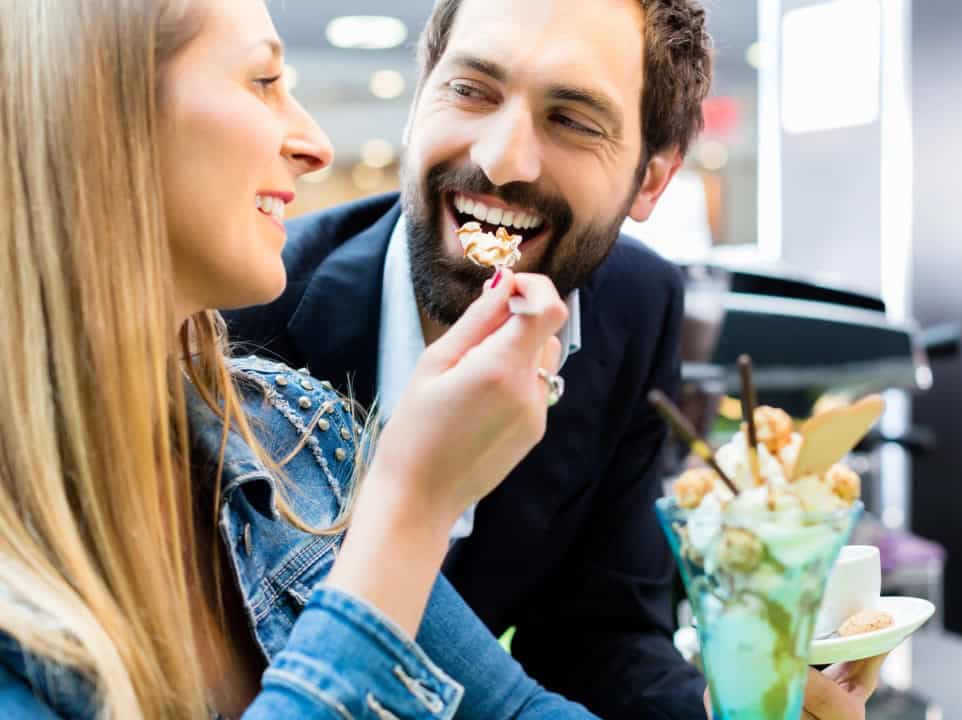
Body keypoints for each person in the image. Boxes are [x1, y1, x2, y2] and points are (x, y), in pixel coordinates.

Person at [227, 0, 886, 717]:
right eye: (471, 90)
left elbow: (598, 636)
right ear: (419, 103)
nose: (501, 159)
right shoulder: (243, 313)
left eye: (572, 119)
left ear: (652, 180)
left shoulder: (636, 305)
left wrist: (725, 704)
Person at [0, 0, 600, 717]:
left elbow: (515, 710)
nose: (315, 144)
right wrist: (412, 504)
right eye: (263, 79)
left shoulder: (295, 432)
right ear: (100, 114)